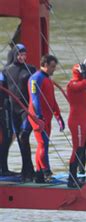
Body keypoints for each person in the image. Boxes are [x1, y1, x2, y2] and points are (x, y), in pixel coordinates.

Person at [27, 54, 65, 183]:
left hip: (46, 118)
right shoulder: (35, 78)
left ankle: (39, 174)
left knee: (44, 144)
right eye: (52, 67)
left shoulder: (47, 79)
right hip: (38, 117)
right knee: (43, 143)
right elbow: (35, 99)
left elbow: (52, 100)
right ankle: (46, 171)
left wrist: (58, 116)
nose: (54, 69)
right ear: (46, 65)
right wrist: (39, 116)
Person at [2, 43, 36, 181]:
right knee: (16, 139)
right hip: (12, 110)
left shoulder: (31, 69)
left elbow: (36, 90)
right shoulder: (6, 71)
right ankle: (26, 170)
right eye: (20, 54)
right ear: (15, 54)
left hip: (26, 109)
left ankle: (28, 170)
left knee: (23, 136)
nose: (23, 57)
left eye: (24, 54)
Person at [65, 59, 86, 188]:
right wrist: (85, 75)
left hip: (82, 122)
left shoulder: (82, 83)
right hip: (76, 122)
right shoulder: (73, 84)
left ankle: (73, 177)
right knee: (77, 149)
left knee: (80, 149)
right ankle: (71, 178)